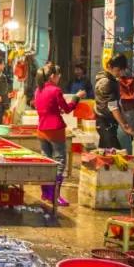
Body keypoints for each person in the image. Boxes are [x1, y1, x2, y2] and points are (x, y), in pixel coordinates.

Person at [34, 65, 83, 204]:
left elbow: (46, 108)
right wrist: (76, 98)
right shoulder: (56, 90)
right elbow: (67, 109)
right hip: (55, 130)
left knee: (46, 161)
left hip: (41, 129)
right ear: (52, 76)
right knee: (59, 162)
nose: (59, 77)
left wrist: (56, 111)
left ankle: (46, 194)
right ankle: (55, 196)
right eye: (58, 74)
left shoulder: (38, 90)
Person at [94, 54, 134, 149]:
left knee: (105, 156)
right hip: (105, 123)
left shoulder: (106, 79)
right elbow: (113, 106)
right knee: (115, 155)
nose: (120, 73)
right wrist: (125, 126)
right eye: (118, 70)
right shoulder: (107, 82)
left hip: (104, 122)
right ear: (110, 67)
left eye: (122, 70)